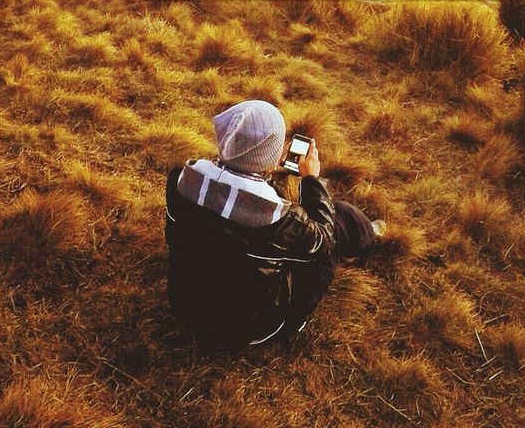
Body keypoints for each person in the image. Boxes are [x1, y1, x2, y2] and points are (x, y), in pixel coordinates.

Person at [164, 99, 384, 348]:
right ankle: (368, 235)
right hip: (250, 328)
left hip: (185, 305)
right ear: (269, 155)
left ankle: (366, 231)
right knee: (338, 218)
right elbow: (323, 240)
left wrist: (260, 174)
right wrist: (312, 181)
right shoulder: (281, 222)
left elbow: (229, 198)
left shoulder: (181, 181)